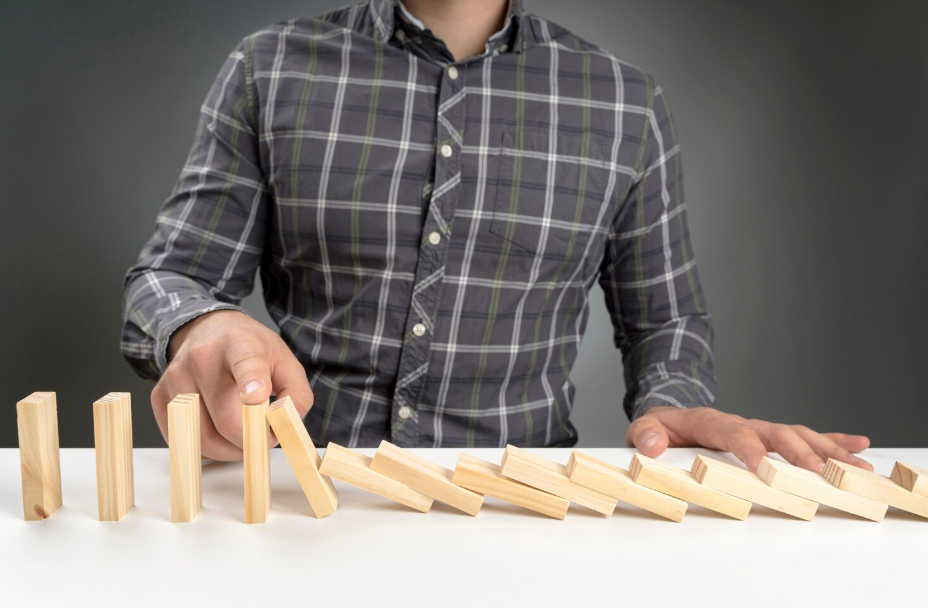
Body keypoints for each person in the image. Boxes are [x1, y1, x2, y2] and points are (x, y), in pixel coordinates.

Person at [121, 0, 872, 473]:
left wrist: (671, 399)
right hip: (303, 494)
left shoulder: (625, 103)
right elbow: (169, 280)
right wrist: (203, 325)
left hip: (524, 507)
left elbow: (668, 319)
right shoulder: (269, 68)